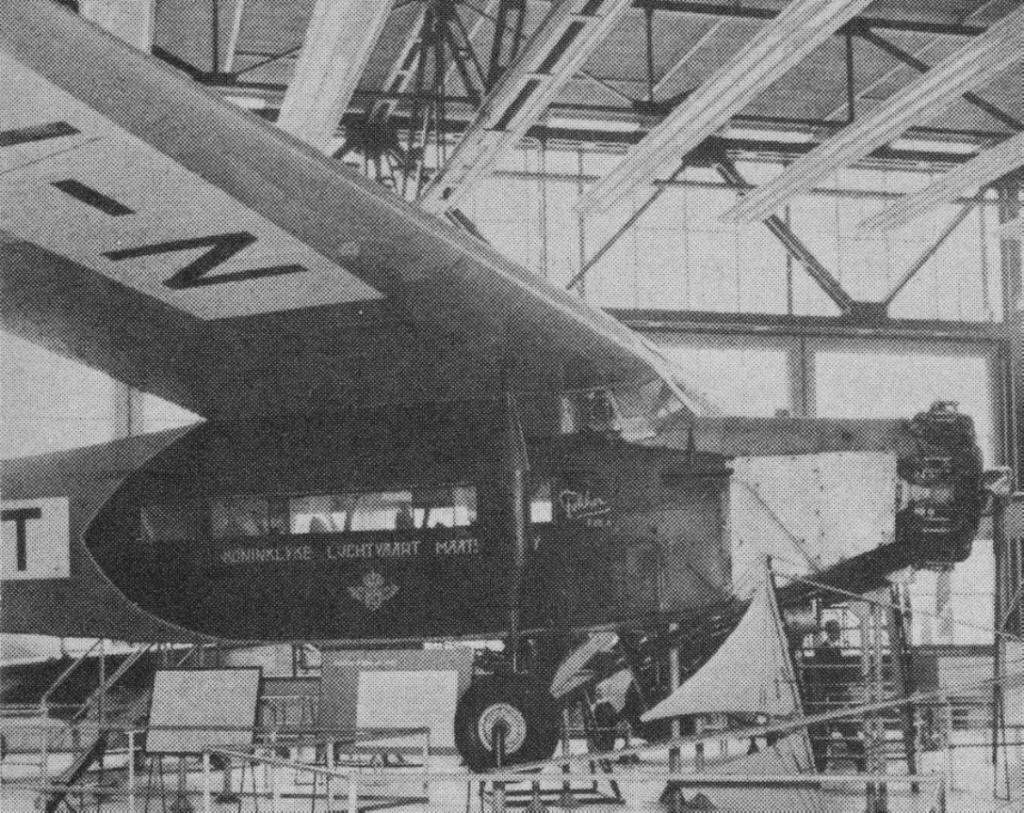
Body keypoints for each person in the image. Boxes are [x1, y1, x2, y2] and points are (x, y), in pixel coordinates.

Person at [807, 620, 865, 772]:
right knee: (843, 730)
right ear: (829, 632)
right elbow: (828, 674)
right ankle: (860, 763)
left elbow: (836, 672)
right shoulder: (822, 651)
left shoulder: (834, 650)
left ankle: (821, 766)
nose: (838, 632)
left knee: (831, 733)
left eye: (838, 630)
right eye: (835, 630)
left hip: (835, 697)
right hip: (831, 698)